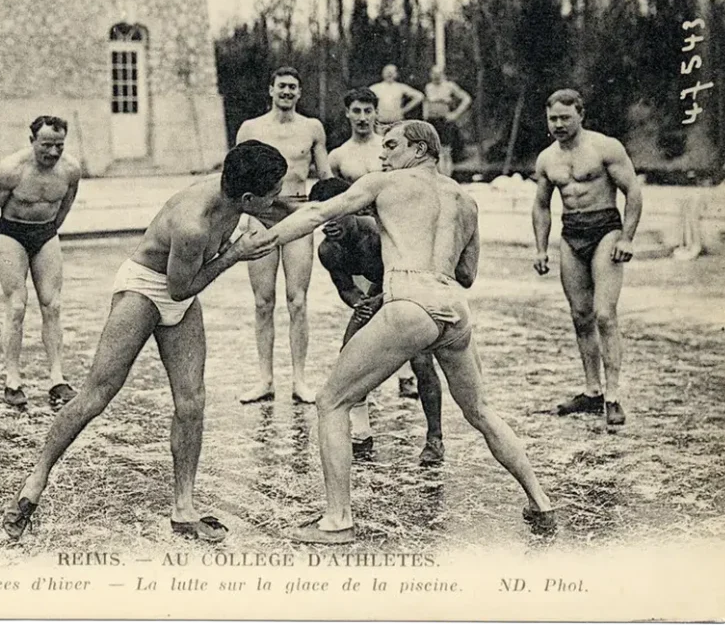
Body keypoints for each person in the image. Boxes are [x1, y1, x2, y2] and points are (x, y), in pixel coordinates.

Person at [259, 120, 556, 543]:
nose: (383, 154)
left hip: (411, 301)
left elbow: (317, 213)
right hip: (454, 309)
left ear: (419, 149)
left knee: (331, 402)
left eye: (392, 145)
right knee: (480, 412)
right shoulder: (465, 199)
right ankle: (540, 501)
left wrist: (257, 245)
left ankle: (337, 520)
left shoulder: (382, 183)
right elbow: (467, 275)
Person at [1, 140, 289, 542]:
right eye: (273, 192)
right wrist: (235, 254)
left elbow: (282, 212)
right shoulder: (192, 224)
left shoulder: (235, 193)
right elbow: (179, 289)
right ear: (247, 198)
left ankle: (183, 508)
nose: (277, 198)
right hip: (148, 289)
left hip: (182, 292)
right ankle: (36, 477)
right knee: (96, 395)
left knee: (192, 402)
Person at [309, 178, 444, 464]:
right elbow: (346, 288)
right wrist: (360, 304)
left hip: (412, 287)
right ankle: (361, 432)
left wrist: (380, 299)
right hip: (379, 290)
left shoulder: (379, 233)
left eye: (336, 215)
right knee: (349, 354)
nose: (330, 225)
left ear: (352, 209)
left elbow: (413, 271)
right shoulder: (328, 250)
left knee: (421, 359)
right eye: (323, 218)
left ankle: (435, 437)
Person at [532, 89, 642, 426]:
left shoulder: (605, 147)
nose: (559, 124)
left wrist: (627, 238)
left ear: (581, 114)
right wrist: (540, 247)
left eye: (566, 117)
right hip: (571, 234)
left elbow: (633, 191)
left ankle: (613, 396)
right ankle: (592, 392)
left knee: (604, 314)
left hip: (605, 229)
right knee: (580, 316)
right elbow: (541, 205)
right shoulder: (547, 159)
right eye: (553, 119)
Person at [235, 66, 333, 406]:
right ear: (271, 89)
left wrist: (329, 212)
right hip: (261, 216)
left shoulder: (312, 128)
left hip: (298, 213)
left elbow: (325, 177)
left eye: (293, 87)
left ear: (299, 92)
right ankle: (265, 378)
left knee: (298, 300)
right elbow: (235, 177)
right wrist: (238, 217)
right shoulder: (251, 128)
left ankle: (300, 380)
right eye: (282, 86)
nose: (287, 92)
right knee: (263, 302)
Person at [0, 116, 82, 410]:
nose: (53, 152)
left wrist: (48, 232)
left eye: (59, 145)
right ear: (32, 141)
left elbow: (65, 206)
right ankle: (12, 380)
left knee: (53, 306)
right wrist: (1, 245)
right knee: (16, 307)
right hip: (11, 234)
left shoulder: (70, 170)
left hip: (45, 233)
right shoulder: (10, 171)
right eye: (46, 145)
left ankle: (57, 378)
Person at [423, 66, 472, 177]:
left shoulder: (449, 86)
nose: (436, 76)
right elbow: (426, 102)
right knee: (435, 152)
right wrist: (425, 115)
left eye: (439, 73)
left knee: (445, 151)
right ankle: (439, 178)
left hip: (444, 120)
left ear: (443, 74)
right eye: (434, 74)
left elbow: (466, 99)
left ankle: (447, 177)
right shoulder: (428, 87)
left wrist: (456, 114)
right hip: (432, 120)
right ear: (430, 74)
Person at [368, 64, 424, 136]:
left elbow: (419, 96)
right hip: (380, 124)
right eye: (387, 71)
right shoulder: (375, 88)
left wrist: (404, 110)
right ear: (382, 73)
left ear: (396, 74)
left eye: (392, 72)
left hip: (397, 123)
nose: (389, 74)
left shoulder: (400, 87)